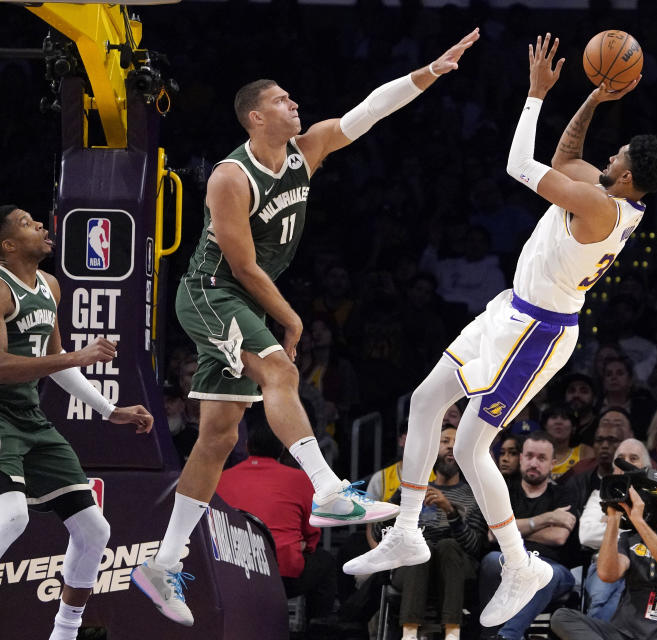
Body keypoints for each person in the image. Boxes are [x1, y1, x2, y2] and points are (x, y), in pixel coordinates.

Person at [132, 29, 481, 627]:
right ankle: (324, 487)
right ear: (254, 117)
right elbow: (240, 265)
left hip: (244, 301)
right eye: (283, 100)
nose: (296, 105)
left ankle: (162, 563)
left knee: (216, 438)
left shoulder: (308, 150)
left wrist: (429, 71)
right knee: (279, 367)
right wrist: (291, 316)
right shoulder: (230, 177)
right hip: (212, 293)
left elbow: (369, 111)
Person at [343, 32, 657, 630]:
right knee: (425, 403)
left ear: (626, 179)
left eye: (618, 155)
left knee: (469, 446)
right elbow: (569, 151)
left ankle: (519, 566)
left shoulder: (600, 207)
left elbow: (521, 165)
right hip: (512, 312)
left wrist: (535, 95)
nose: (610, 156)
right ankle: (409, 530)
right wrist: (595, 98)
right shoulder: (601, 192)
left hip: (538, 331)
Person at [0, 205, 154, 640]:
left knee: (94, 528)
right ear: (8, 246)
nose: (42, 228)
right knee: (11, 517)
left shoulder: (50, 286)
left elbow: (57, 363)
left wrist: (110, 409)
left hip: (29, 417)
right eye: (28, 225)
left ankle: (64, 633)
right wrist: (78, 355)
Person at [551, 472, 657, 640]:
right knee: (562, 617)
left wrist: (638, 520)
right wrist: (614, 518)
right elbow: (608, 574)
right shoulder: (631, 538)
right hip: (624, 632)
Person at [214, 405, 335, 622]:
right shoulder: (300, 479)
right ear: (281, 449)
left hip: (231, 573)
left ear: (247, 446)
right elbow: (312, 533)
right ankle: (318, 629)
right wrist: (304, 546)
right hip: (283, 575)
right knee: (325, 563)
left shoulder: (222, 478)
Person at [380, 423, 487, 640]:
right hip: (412, 568)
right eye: (445, 441)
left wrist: (451, 512)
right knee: (422, 548)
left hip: (457, 568)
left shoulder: (474, 496)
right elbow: (378, 531)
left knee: (448, 545)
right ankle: (408, 635)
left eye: (456, 444)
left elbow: (475, 547)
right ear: (431, 449)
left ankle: (452, 634)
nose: (450, 447)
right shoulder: (413, 490)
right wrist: (401, 495)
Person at [476, 431, 579, 639]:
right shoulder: (505, 491)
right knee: (490, 561)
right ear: (521, 458)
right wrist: (546, 518)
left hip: (554, 567)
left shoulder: (565, 493)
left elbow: (558, 536)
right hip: (508, 562)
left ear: (553, 463)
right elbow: (492, 534)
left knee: (544, 572)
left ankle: (506, 636)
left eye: (542, 458)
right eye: (530, 456)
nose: (534, 463)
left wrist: (513, 529)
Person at [577, 436, 647, 622]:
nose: (626, 464)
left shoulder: (655, 499)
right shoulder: (598, 496)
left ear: (645, 467)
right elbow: (586, 535)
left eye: (633, 458)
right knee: (603, 598)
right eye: (621, 459)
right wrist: (636, 528)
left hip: (645, 566)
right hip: (605, 563)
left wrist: (610, 522)